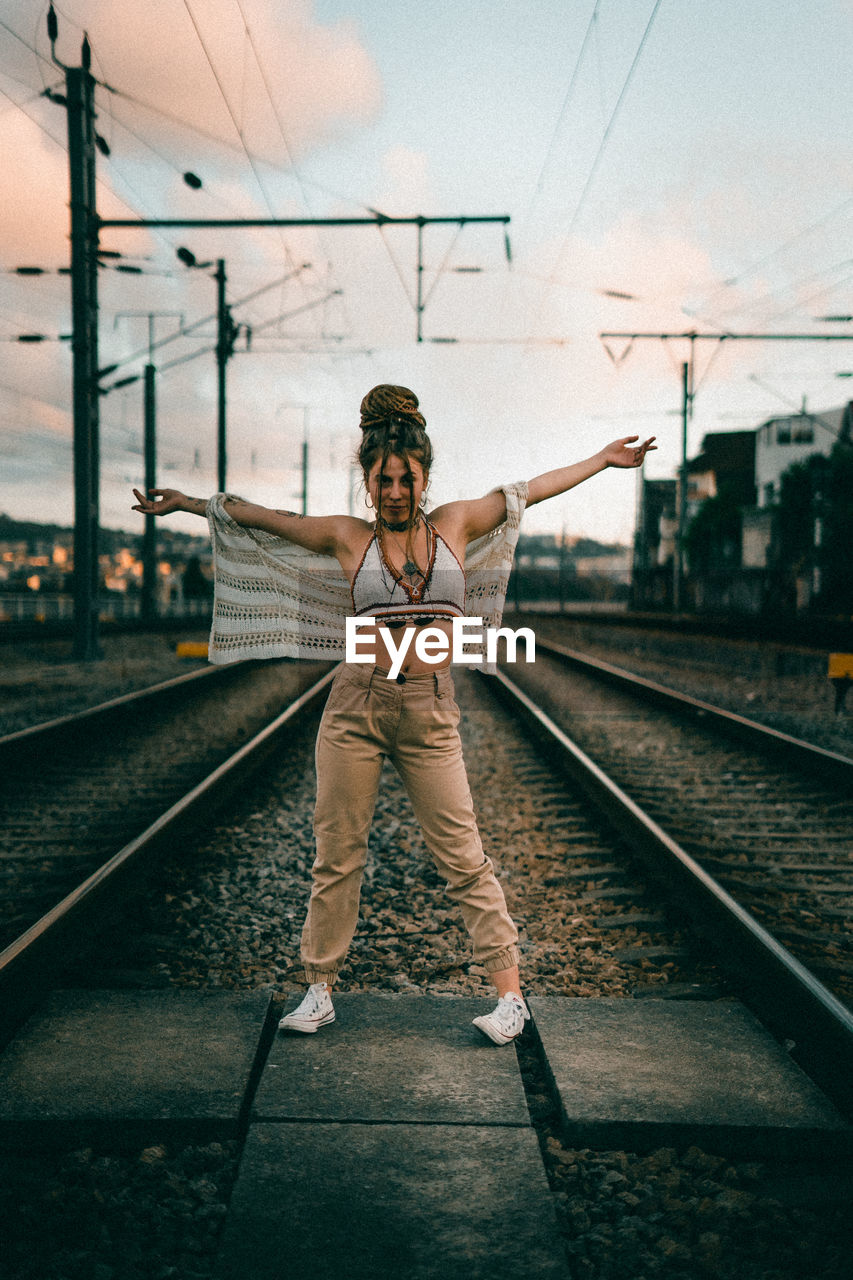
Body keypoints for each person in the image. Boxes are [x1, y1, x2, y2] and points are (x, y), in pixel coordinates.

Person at [132, 384, 655, 1045]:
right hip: (355, 705)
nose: (395, 492)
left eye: (406, 480)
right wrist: (190, 503)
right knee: (337, 854)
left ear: (424, 476)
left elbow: (529, 490)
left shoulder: (459, 523)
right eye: (382, 481)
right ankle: (319, 989)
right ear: (366, 479)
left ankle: (509, 997)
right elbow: (265, 517)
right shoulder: (346, 536)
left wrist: (601, 460)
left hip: (430, 711)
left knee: (463, 855)